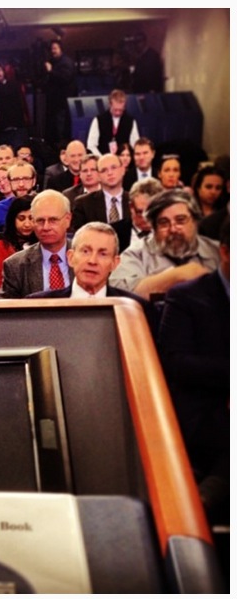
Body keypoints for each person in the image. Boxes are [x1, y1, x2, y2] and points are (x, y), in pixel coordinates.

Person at [157, 219, 229, 523]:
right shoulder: (187, 297)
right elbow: (176, 362)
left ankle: (212, 491)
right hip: (205, 410)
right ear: (225, 252)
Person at [109, 189, 220, 300]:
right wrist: (179, 275)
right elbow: (117, 292)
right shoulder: (137, 254)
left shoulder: (217, 251)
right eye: (163, 223)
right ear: (153, 228)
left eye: (180, 220)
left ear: (195, 221)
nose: (173, 229)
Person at [0, 190, 73, 298]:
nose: (46, 227)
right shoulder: (15, 266)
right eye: (40, 221)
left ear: (67, 219)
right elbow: (7, 313)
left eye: (53, 220)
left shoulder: (87, 258)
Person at [0, 162, 38, 255]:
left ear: (34, 181)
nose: (21, 184)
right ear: (9, 182)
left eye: (26, 179)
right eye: (16, 179)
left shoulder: (45, 206)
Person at [71, 153, 129, 232]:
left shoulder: (135, 201)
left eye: (113, 168)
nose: (110, 173)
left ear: (123, 170)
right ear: (98, 175)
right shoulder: (83, 204)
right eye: (104, 170)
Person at [0, 195, 36, 291]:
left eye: (31, 218)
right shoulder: (2, 244)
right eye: (21, 218)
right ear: (13, 220)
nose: (27, 224)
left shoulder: (44, 242)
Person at [86, 89, 140, 157]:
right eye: (115, 110)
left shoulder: (130, 121)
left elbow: (135, 145)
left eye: (120, 110)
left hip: (123, 161)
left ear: (124, 106)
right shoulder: (98, 120)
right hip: (103, 160)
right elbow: (91, 145)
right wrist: (102, 159)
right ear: (110, 105)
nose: (118, 112)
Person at [44, 40, 76, 146]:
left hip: (63, 102)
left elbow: (65, 78)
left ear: (60, 49)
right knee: (54, 127)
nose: (53, 51)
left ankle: (62, 146)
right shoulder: (52, 62)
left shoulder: (66, 62)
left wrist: (51, 71)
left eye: (55, 48)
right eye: (52, 49)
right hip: (54, 103)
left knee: (61, 128)